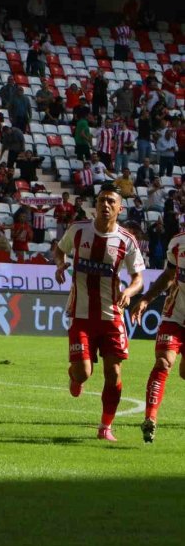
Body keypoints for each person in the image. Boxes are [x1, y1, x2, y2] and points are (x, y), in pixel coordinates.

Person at [54, 183, 145, 442]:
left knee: (114, 373)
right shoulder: (78, 230)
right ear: (96, 204)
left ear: (119, 208)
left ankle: (105, 426)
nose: (105, 205)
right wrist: (60, 264)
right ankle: (75, 377)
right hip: (81, 314)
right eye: (102, 200)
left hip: (111, 315)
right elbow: (59, 250)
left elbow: (138, 278)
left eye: (111, 201)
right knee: (83, 372)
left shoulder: (126, 240)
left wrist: (129, 292)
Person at [132, 228, 185, 443]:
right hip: (174, 315)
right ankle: (150, 418)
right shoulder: (178, 242)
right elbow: (168, 276)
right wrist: (145, 300)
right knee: (163, 363)